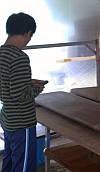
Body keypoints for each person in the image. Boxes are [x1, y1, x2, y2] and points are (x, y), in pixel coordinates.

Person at [0, 13, 47, 172]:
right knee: (24, 164)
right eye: (30, 36)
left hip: (7, 119)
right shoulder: (19, 57)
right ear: (27, 32)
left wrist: (27, 82)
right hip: (21, 122)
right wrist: (37, 87)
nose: (29, 40)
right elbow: (20, 95)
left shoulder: (2, 53)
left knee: (10, 159)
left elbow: (6, 83)